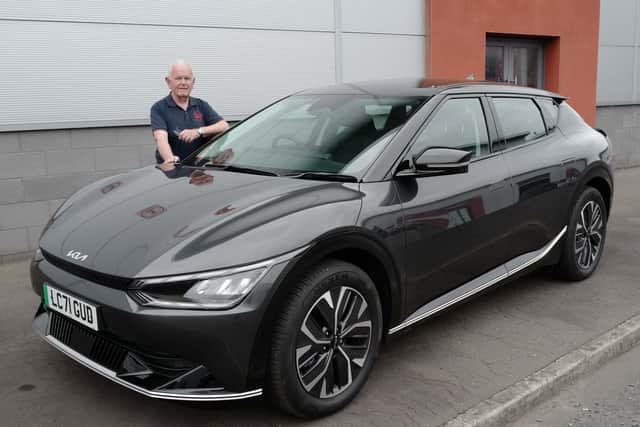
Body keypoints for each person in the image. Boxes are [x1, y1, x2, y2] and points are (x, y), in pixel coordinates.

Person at [150, 60, 229, 164]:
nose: (183, 82)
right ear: (168, 82)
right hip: (173, 170)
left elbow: (224, 126)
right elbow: (161, 138)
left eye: (187, 78)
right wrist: (169, 158)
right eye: (178, 78)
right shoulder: (159, 108)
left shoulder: (201, 105)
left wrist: (198, 131)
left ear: (193, 82)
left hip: (200, 172)